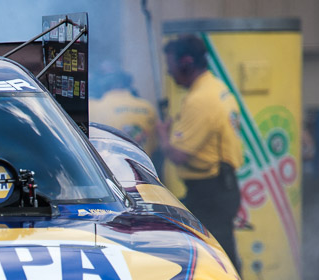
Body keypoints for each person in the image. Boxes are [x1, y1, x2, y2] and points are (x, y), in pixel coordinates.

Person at [156, 34, 243, 268]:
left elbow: (178, 154)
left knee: (217, 261)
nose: (169, 72)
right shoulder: (217, 87)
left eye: (171, 65)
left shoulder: (200, 100)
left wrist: (163, 135)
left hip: (209, 193)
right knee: (223, 255)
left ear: (186, 63)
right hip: (221, 187)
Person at [90, 66, 158, 158]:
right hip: (143, 169)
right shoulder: (147, 107)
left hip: (107, 169)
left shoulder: (92, 107)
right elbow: (155, 145)